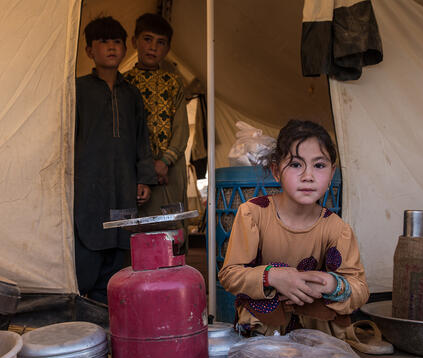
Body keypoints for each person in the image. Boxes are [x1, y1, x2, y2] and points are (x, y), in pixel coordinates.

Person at [218, 120, 369, 337]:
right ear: (276, 171)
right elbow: (230, 275)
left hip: (317, 333)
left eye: (319, 165)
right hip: (264, 331)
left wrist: (331, 284)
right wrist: (272, 277)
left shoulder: (336, 228)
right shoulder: (253, 214)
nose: (308, 176)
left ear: (332, 173)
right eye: (296, 164)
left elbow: (360, 289)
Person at [74, 16, 156, 303]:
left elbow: (141, 139)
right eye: (103, 42)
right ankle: (85, 306)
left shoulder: (132, 94)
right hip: (88, 183)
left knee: (121, 242)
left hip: (124, 183)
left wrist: (144, 177)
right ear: (89, 52)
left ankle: (109, 304)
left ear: (125, 48)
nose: (111, 48)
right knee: (88, 239)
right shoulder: (78, 90)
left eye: (117, 42)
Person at [124, 13, 189, 219]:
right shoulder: (123, 84)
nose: (153, 47)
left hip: (170, 169)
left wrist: (164, 162)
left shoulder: (174, 83)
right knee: (139, 228)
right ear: (134, 42)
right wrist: (144, 168)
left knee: (171, 227)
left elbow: (181, 129)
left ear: (168, 49)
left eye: (160, 42)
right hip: (135, 171)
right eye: (147, 39)